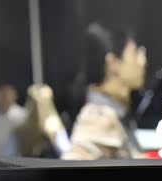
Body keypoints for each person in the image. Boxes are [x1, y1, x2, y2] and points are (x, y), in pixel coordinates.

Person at [63, 22, 147, 160]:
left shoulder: (116, 114)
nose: (142, 61)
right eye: (134, 53)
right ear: (113, 63)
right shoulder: (99, 116)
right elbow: (73, 163)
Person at [16, 84, 71, 158]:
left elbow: (66, 152)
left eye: (43, 101)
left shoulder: (54, 127)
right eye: (36, 102)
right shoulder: (22, 127)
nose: (39, 107)